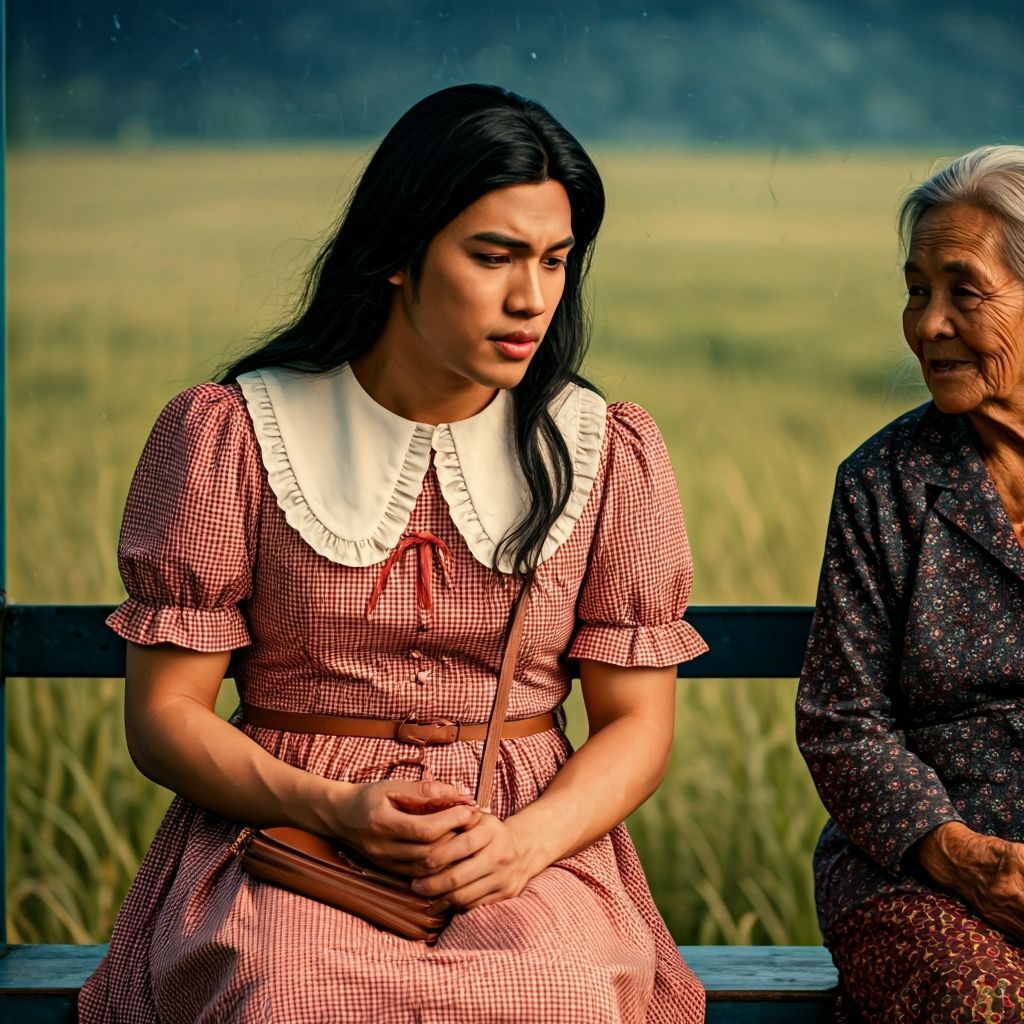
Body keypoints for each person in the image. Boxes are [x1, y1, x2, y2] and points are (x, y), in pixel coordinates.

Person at [78, 84, 708, 1024]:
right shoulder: (238, 433)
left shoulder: (604, 447)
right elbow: (165, 713)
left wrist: (523, 845)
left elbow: (637, 724)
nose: (531, 297)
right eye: (493, 257)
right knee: (287, 991)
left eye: (554, 260)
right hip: (286, 835)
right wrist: (336, 808)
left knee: (556, 994)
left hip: (525, 844)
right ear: (399, 256)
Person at [797, 144, 1024, 1023]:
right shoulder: (885, 484)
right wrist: (964, 856)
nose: (929, 325)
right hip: (919, 872)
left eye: (963, 291)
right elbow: (841, 719)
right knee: (976, 999)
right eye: (917, 291)